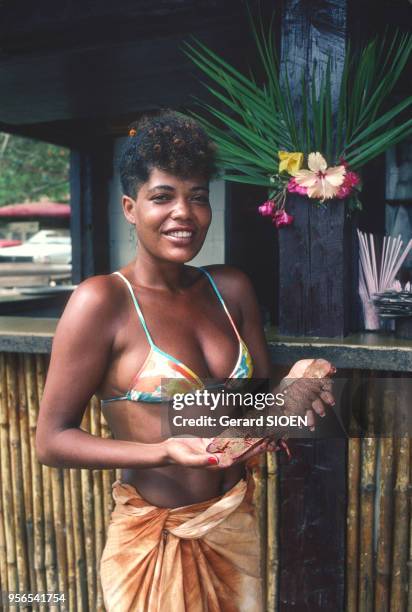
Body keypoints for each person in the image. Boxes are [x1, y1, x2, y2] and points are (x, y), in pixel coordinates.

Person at [36, 111, 334, 612]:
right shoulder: (102, 301)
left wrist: (296, 398)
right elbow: (51, 441)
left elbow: (256, 417)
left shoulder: (231, 288)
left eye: (198, 196)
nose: (184, 212)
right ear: (130, 208)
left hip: (232, 524)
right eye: (162, 196)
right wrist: (164, 451)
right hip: (155, 538)